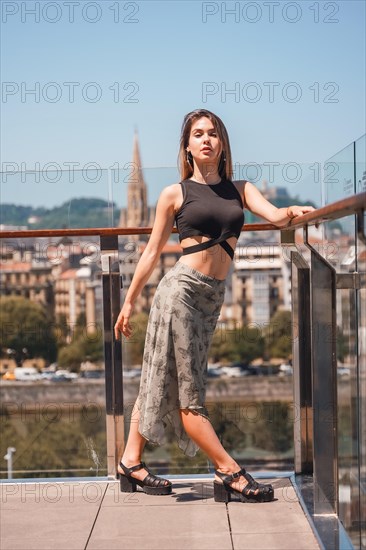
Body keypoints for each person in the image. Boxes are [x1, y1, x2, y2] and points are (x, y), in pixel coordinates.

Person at [114, 108, 315, 503]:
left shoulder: (240, 189)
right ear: (187, 147)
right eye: (198, 134)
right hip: (180, 293)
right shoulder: (175, 193)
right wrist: (128, 300)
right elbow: (152, 251)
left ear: (222, 143)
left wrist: (293, 212)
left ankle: (130, 460)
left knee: (162, 373)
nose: (206, 139)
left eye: (213, 134)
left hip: (211, 298)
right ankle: (231, 471)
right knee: (189, 392)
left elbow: (275, 217)